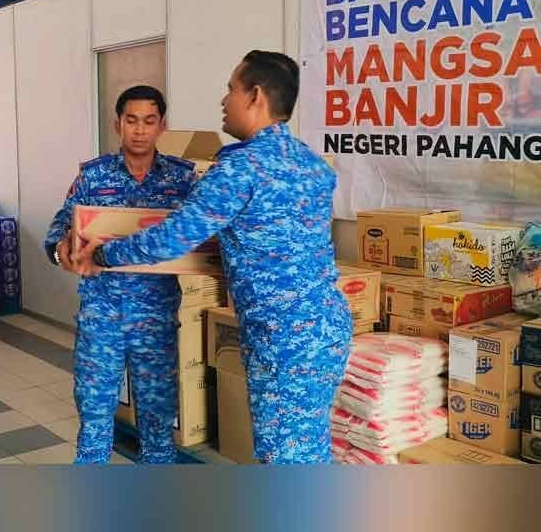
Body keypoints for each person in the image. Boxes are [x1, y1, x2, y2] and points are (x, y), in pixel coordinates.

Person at [74, 51, 353, 465]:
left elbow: (174, 237)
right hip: (325, 325)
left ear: (255, 96)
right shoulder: (312, 164)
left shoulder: (239, 169)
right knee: (307, 449)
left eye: (230, 89)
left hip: (284, 335)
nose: (224, 101)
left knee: (286, 457)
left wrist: (106, 252)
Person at [44, 85, 196, 464]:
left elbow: (201, 235)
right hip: (102, 316)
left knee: (158, 424)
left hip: (155, 318)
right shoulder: (93, 177)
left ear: (162, 125)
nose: (140, 130)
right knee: (95, 419)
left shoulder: (182, 180)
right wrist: (63, 252)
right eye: (131, 121)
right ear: (118, 124)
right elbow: (59, 229)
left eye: (149, 121)